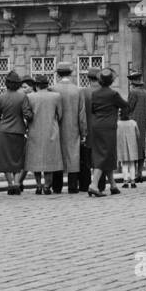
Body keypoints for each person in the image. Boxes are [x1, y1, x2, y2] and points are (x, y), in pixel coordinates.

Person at [86, 68, 130, 196]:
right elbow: (126, 105)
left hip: (96, 125)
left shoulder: (94, 94)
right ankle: (94, 185)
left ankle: (113, 185)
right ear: (111, 81)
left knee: (106, 154)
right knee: (105, 155)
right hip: (108, 127)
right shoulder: (113, 94)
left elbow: (93, 110)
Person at [0, 71, 31, 194]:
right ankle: (16, 182)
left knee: (6, 159)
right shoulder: (22, 97)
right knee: (18, 159)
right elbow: (27, 114)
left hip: (4, 131)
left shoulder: (0, 97)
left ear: (6, 84)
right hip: (19, 131)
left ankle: (10, 184)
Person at [25, 74, 63, 194]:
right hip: (51, 130)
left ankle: (38, 185)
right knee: (49, 158)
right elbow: (60, 114)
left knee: (36, 159)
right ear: (47, 84)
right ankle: (47, 185)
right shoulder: (56, 96)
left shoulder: (30, 97)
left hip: (35, 130)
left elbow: (27, 114)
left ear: (36, 85)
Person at [51, 64, 87, 194]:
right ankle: (72, 186)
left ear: (58, 74)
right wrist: (83, 131)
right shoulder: (77, 90)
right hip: (73, 128)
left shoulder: (53, 89)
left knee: (57, 155)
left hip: (57, 127)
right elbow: (81, 114)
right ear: (70, 74)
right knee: (73, 156)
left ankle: (57, 186)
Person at [125, 68, 146, 183]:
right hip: (143, 123)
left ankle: (133, 173)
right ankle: (140, 172)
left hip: (133, 122)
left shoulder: (133, 92)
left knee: (133, 148)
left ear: (132, 82)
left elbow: (129, 107)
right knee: (141, 148)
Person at [79, 68, 98, 188]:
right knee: (99, 158)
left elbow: (81, 113)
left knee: (86, 159)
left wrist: (83, 131)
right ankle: (100, 183)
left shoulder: (84, 92)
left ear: (88, 79)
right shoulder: (106, 91)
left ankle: (85, 184)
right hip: (101, 129)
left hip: (88, 128)